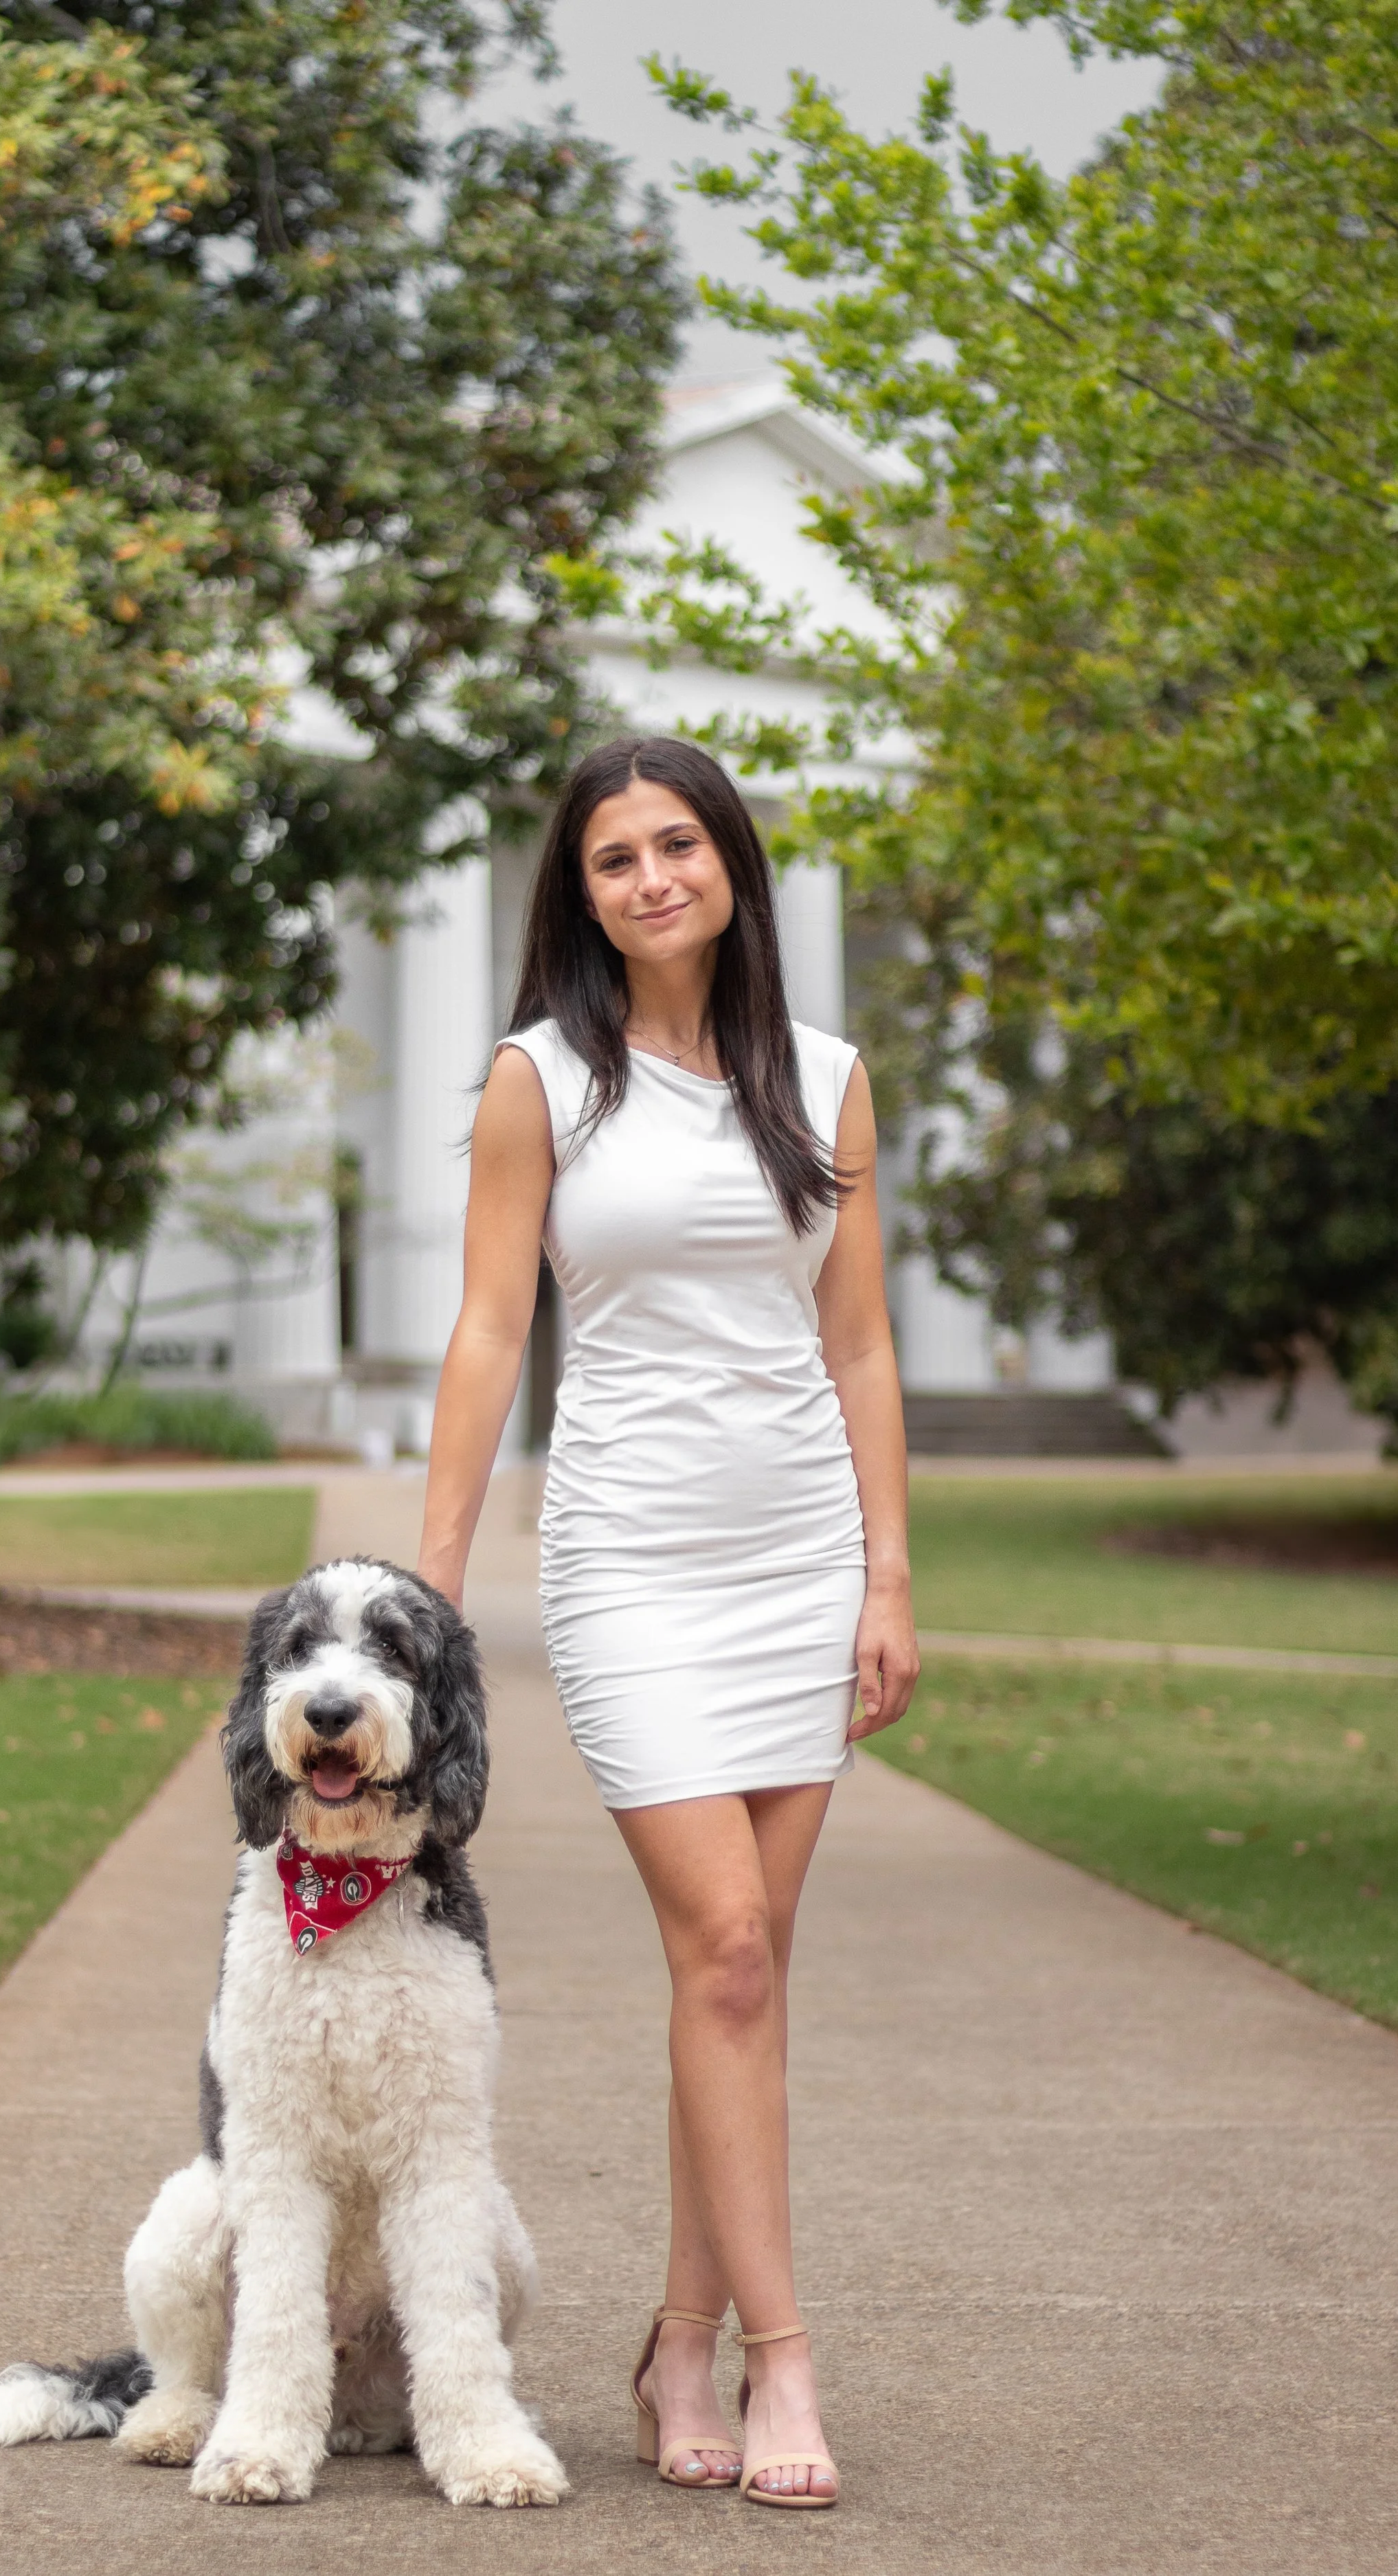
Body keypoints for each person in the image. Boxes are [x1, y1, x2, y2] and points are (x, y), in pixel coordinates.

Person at [416, 736, 919, 2509]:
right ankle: (784, 2367)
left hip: (795, 1556)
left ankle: (678, 2348)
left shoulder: (829, 1080)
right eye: (615, 857)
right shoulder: (538, 1081)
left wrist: (888, 1574)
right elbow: (491, 1336)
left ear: (730, 866)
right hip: (626, 1560)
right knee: (726, 1950)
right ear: (583, 894)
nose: (651, 878)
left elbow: (858, 1344)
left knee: (744, 1979)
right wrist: (432, 1581)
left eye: (678, 844)